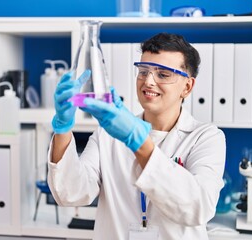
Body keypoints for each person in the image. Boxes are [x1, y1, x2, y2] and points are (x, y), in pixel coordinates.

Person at [47, 33, 226, 239]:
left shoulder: (206, 137)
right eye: (143, 71)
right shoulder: (109, 133)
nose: (148, 81)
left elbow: (198, 207)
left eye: (163, 74)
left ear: (187, 86)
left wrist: (139, 143)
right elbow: (71, 193)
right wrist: (63, 128)